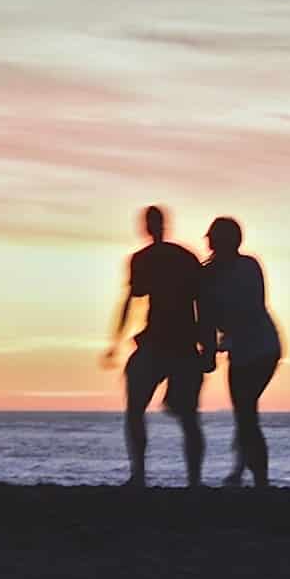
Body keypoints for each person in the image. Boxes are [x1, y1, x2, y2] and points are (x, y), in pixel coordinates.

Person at [101, 204, 207, 488]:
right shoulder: (181, 257)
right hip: (171, 342)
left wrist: (115, 341)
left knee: (155, 412)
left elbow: (201, 302)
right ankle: (165, 477)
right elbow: (203, 304)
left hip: (173, 343)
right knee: (177, 415)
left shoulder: (154, 258)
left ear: (148, 227)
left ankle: (145, 475)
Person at [200, 215, 281, 487]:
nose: (208, 242)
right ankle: (243, 470)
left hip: (261, 348)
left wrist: (214, 347)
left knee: (246, 413)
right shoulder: (211, 274)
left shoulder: (245, 267)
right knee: (245, 412)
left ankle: (259, 478)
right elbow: (208, 316)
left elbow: (248, 307)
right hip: (245, 349)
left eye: (212, 237)